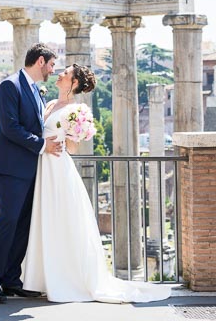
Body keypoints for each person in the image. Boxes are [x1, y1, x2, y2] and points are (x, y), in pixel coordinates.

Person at [22, 64, 171, 303]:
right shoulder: (49, 104)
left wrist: (69, 134)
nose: (59, 73)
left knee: (60, 219)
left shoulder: (76, 109)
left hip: (58, 167)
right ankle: (40, 278)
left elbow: (71, 147)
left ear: (74, 83)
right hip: (42, 167)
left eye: (65, 73)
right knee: (44, 219)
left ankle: (64, 278)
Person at [0, 43, 62, 304]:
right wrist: (43, 145)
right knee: (7, 222)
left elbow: (34, 125)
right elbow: (10, 128)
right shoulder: (11, 85)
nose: (53, 69)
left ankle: (11, 279)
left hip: (30, 167)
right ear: (40, 61)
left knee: (23, 225)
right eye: (51, 65)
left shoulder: (37, 91)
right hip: (9, 166)